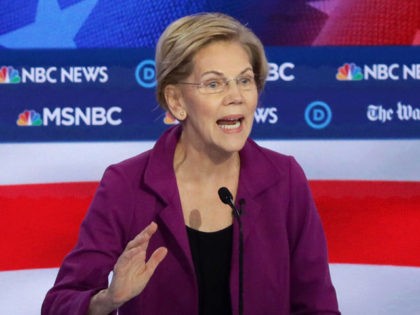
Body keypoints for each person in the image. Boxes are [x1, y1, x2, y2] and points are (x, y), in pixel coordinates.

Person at [42, 12, 340, 315]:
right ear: (176, 101)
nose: (236, 96)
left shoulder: (283, 179)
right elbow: (58, 304)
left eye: (245, 80)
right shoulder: (127, 184)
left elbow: (318, 306)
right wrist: (108, 299)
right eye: (214, 84)